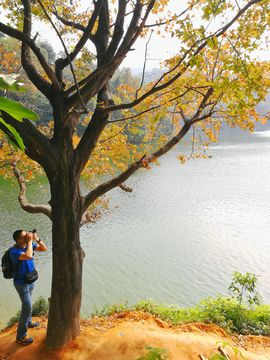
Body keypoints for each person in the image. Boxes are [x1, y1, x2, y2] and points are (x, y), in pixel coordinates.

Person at [10, 230, 47, 345]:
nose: (27, 236)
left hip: (29, 279)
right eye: (24, 236)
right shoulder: (14, 251)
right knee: (27, 307)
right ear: (19, 240)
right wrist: (30, 242)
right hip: (21, 283)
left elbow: (44, 249)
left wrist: (37, 240)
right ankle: (20, 336)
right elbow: (28, 255)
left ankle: (29, 321)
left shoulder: (27, 245)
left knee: (27, 304)